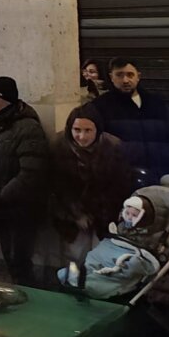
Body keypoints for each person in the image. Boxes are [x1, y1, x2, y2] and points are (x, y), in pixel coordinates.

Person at [0, 76, 49, 285]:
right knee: (10, 259)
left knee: (19, 261)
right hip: (2, 206)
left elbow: (31, 172)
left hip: (19, 208)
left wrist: (1, 197)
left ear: (6, 99)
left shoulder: (27, 128)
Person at [49, 104, 133, 268]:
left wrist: (102, 212)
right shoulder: (59, 147)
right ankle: (74, 285)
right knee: (74, 256)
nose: (81, 136)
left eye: (88, 130)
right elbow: (58, 185)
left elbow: (120, 186)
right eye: (77, 130)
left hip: (104, 214)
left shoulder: (113, 147)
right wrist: (76, 214)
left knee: (100, 258)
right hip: (71, 215)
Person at [93, 57, 169, 179]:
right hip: (117, 175)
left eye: (130, 75)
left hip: (156, 172)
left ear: (138, 76)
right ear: (111, 77)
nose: (125, 80)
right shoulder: (100, 106)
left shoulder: (156, 102)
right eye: (119, 75)